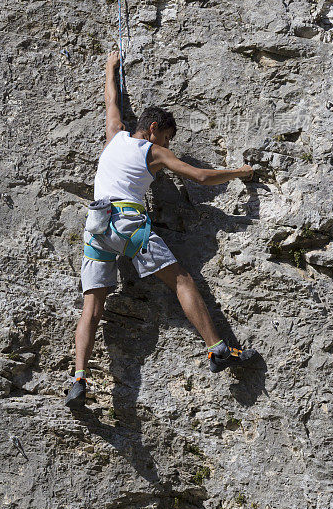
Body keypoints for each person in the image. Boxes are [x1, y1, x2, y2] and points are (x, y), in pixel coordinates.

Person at [65, 51, 258, 409]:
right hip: (127, 225)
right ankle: (218, 349)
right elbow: (199, 176)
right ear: (154, 129)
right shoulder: (152, 150)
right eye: (167, 138)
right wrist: (238, 173)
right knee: (182, 280)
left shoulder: (114, 135)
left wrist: (110, 67)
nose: (167, 146)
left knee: (91, 307)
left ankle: (78, 379)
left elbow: (111, 100)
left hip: (97, 227)